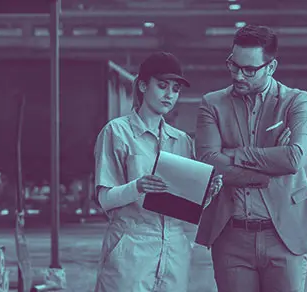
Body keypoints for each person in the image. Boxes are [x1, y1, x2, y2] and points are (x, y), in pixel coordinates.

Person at [194, 25, 307, 292]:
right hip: (231, 236)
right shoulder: (212, 104)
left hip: (285, 234)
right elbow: (209, 161)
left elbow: (293, 159)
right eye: (234, 66)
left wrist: (235, 154)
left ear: (271, 67)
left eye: (249, 70)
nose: (239, 75)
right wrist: (266, 169)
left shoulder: (296, 102)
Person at [93, 51, 223, 292]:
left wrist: (207, 194)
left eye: (175, 89)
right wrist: (138, 186)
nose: (169, 95)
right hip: (132, 246)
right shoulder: (117, 132)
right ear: (142, 85)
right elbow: (105, 199)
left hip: (175, 249)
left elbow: (186, 207)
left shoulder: (182, 140)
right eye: (162, 86)